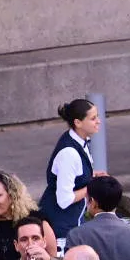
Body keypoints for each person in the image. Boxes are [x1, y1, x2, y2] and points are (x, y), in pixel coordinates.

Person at [37, 100, 99, 244]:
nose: (98, 121)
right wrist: (92, 186)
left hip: (72, 222)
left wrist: (92, 175)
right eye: (93, 118)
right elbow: (64, 200)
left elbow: (75, 174)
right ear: (78, 122)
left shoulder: (79, 141)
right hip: (61, 227)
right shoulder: (69, 153)